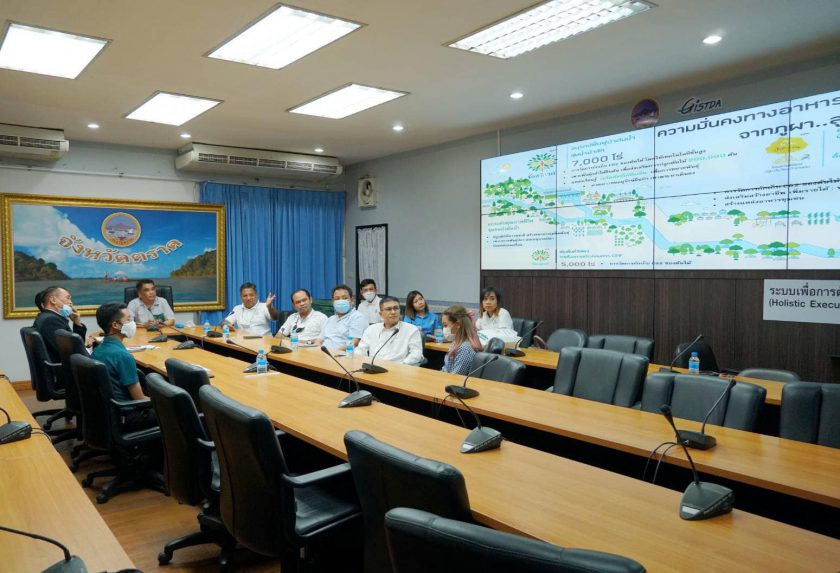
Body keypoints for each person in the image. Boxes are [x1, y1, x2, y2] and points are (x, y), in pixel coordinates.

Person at [90, 302, 156, 431]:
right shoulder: (123, 356)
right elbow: (140, 399)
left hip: (107, 414)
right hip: (127, 415)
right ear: (116, 325)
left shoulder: (98, 350)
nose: (133, 323)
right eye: (128, 319)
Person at [358, 297, 424, 366]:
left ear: (400, 311)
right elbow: (361, 349)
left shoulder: (411, 330)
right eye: (388, 309)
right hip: (373, 368)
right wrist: (363, 363)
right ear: (381, 314)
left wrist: (402, 364)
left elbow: (417, 354)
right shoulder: (371, 329)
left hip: (399, 368)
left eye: (396, 308)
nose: (393, 312)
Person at [33, 285, 91, 363]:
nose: (71, 302)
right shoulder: (51, 321)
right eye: (68, 298)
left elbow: (74, 346)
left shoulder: (46, 317)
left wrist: (77, 324)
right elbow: (73, 353)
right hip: (66, 367)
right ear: (53, 300)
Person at [317, 284, 368, 349]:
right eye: (337, 298)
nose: (341, 301)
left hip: (341, 353)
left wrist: (334, 352)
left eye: (345, 298)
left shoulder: (357, 317)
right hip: (322, 352)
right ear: (333, 302)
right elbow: (319, 340)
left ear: (352, 300)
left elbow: (354, 342)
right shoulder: (330, 319)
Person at [440, 305, 482, 375]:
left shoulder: (465, 348)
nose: (444, 329)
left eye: (445, 325)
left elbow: (456, 377)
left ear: (458, 324)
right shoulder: (456, 342)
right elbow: (445, 368)